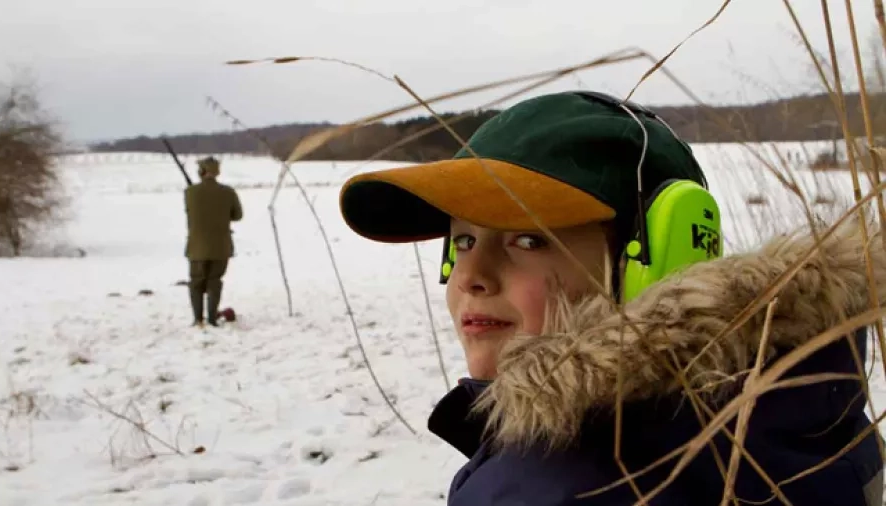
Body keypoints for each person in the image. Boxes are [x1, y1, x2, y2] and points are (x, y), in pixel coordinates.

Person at [338, 91, 885, 505]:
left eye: (527, 239)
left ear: (663, 261)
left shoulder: (557, 484)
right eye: (462, 241)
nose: (471, 277)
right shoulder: (804, 406)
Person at [185, 156, 243, 327]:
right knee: (214, 281)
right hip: (221, 247)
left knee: (196, 282)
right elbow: (238, 215)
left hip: (197, 248)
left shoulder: (190, 192)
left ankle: (197, 318)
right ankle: (211, 318)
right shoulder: (228, 192)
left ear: (201, 171)